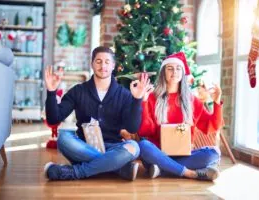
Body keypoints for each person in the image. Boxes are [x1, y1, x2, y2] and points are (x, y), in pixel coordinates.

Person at [44, 46, 150, 181]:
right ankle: (118, 168)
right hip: (83, 146)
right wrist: (51, 92)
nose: (103, 65)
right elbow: (54, 119)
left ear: (113, 66)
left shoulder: (124, 94)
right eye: (98, 61)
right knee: (63, 138)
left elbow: (132, 128)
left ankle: (75, 172)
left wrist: (137, 100)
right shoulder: (78, 91)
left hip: (113, 146)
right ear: (92, 64)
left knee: (134, 147)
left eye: (107, 62)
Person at [136, 52, 223, 181]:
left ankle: (162, 170)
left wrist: (216, 102)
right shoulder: (152, 97)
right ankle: (189, 173)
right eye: (169, 68)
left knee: (214, 153)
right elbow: (145, 131)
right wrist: (143, 102)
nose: (174, 72)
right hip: (158, 153)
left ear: (183, 73)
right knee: (143, 146)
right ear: (163, 73)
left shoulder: (192, 100)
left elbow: (211, 127)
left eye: (178, 68)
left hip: (183, 154)